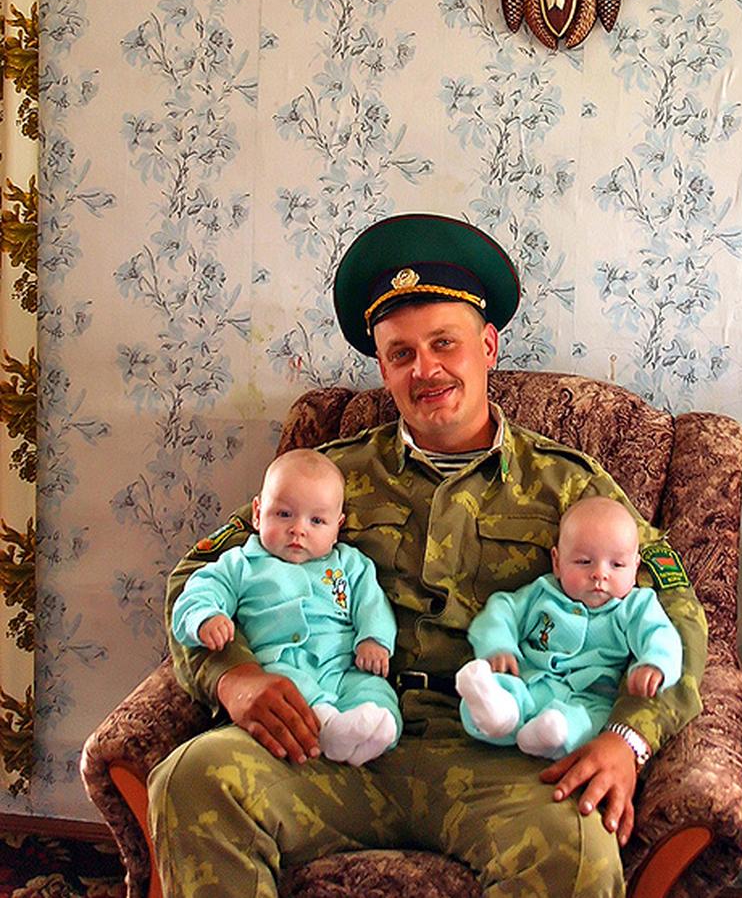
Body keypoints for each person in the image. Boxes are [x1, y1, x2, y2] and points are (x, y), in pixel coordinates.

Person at [148, 213, 708, 898]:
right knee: (192, 778)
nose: (427, 369)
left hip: (504, 755)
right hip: (335, 738)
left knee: (576, 850)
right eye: (401, 353)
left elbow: (675, 610)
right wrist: (232, 677)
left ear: (489, 345)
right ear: (382, 365)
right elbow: (197, 576)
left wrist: (631, 736)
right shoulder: (326, 476)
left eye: (445, 343)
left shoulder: (572, 485)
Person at [170, 448, 401, 765]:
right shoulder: (242, 563)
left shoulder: (350, 564)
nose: (298, 529)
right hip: (281, 663)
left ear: (338, 526)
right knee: (291, 693)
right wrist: (205, 617)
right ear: (257, 512)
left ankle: (380, 731)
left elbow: (371, 603)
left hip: (343, 665)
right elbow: (198, 590)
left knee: (374, 691)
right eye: (283, 514)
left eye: (317, 520)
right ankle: (328, 728)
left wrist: (374, 640)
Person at [456, 494, 682, 759]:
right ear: (557, 562)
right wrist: (499, 645)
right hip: (531, 681)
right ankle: (497, 716)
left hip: (591, 696)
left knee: (592, 723)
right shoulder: (542, 593)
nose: (600, 574)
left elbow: (660, 634)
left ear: (635, 568)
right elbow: (501, 609)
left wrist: (654, 663)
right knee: (501, 691)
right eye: (584, 562)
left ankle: (553, 734)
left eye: (617, 564)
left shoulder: (635, 606)